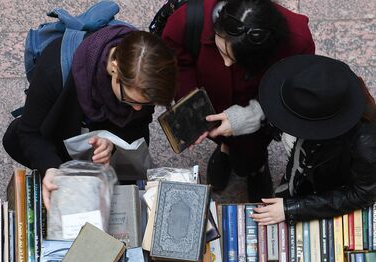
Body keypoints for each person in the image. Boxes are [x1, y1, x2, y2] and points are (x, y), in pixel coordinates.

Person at [2, 24, 177, 208]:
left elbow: (136, 129)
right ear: (115, 68)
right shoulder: (54, 68)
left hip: (99, 154)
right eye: (131, 100)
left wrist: (113, 145)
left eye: (146, 104)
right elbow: (29, 132)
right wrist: (52, 169)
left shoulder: (145, 72)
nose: (138, 109)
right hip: (62, 135)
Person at [161, 0, 315, 201]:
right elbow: (177, 63)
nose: (226, 63)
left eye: (236, 59)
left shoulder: (297, 40)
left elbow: (292, 87)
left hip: (256, 107)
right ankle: (224, 149)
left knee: (253, 147)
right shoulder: (187, 21)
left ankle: (256, 166)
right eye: (222, 51)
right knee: (218, 133)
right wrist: (191, 104)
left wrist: (255, 112)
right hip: (213, 98)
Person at [249, 55, 376, 225]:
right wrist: (241, 119)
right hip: (306, 168)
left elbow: (362, 193)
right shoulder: (316, 85)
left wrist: (293, 208)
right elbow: (280, 105)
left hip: (327, 186)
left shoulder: (366, 144)